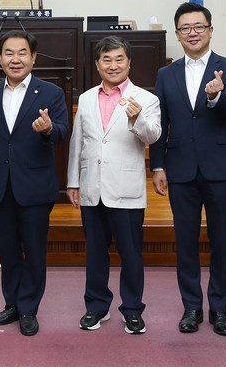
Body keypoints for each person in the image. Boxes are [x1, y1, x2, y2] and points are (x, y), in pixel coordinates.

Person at [149, 2, 226, 337]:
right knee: (185, 242)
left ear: (210, 30)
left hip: (220, 167)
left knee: (222, 241)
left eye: (199, 27)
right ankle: (191, 307)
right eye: (186, 28)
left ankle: (220, 309)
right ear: (177, 34)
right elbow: (161, 121)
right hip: (180, 168)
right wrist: (157, 165)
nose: (193, 33)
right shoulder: (166, 74)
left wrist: (216, 97)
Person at [0, 30, 69, 337]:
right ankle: (12, 303)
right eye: (9, 53)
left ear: (33, 57)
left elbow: (62, 132)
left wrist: (48, 128)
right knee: (8, 249)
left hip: (35, 185)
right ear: (0, 58)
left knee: (35, 251)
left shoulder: (51, 92)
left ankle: (28, 308)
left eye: (22, 53)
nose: (16, 59)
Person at [66, 36, 161, 335]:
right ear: (97, 65)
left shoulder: (145, 98)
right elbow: (78, 142)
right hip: (92, 187)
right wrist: (73, 181)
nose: (113, 65)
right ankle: (96, 306)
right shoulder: (86, 98)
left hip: (126, 189)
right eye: (106, 60)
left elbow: (153, 136)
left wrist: (137, 119)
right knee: (95, 252)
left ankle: (132, 310)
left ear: (129, 62)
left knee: (131, 254)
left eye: (119, 59)